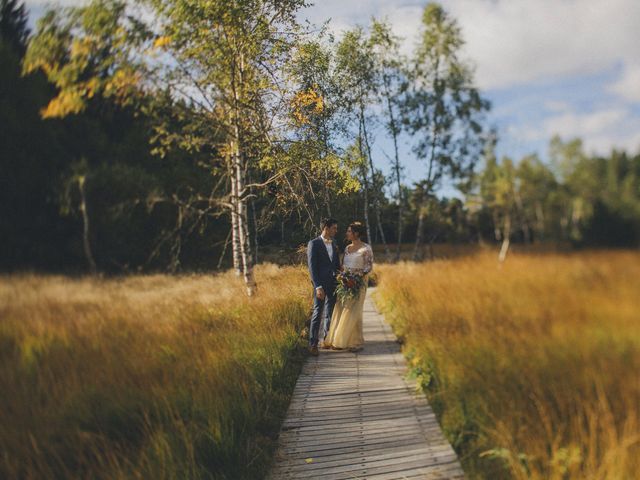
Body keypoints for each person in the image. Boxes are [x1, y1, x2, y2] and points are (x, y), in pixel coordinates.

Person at [323, 222, 373, 352]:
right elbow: (342, 265)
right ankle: (340, 339)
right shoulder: (347, 248)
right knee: (342, 308)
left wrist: (356, 279)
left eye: (349, 231)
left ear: (356, 233)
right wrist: (343, 277)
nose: (347, 233)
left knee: (354, 310)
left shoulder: (366, 249)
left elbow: (368, 267)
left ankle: (355, 342)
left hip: (359, 283)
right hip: (345, 283)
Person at [306, 218, 341, 356]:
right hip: (320, 284)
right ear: (326, 228)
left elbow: (336, 264)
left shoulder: (334, 243)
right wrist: (318, 286)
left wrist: (340, 278)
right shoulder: (313, 244)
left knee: (330, 312)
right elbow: (312, 267)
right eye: (334, 228)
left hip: (333, 283)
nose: (336, 231)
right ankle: (313, 344)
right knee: (317, 312)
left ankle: (326, 340)